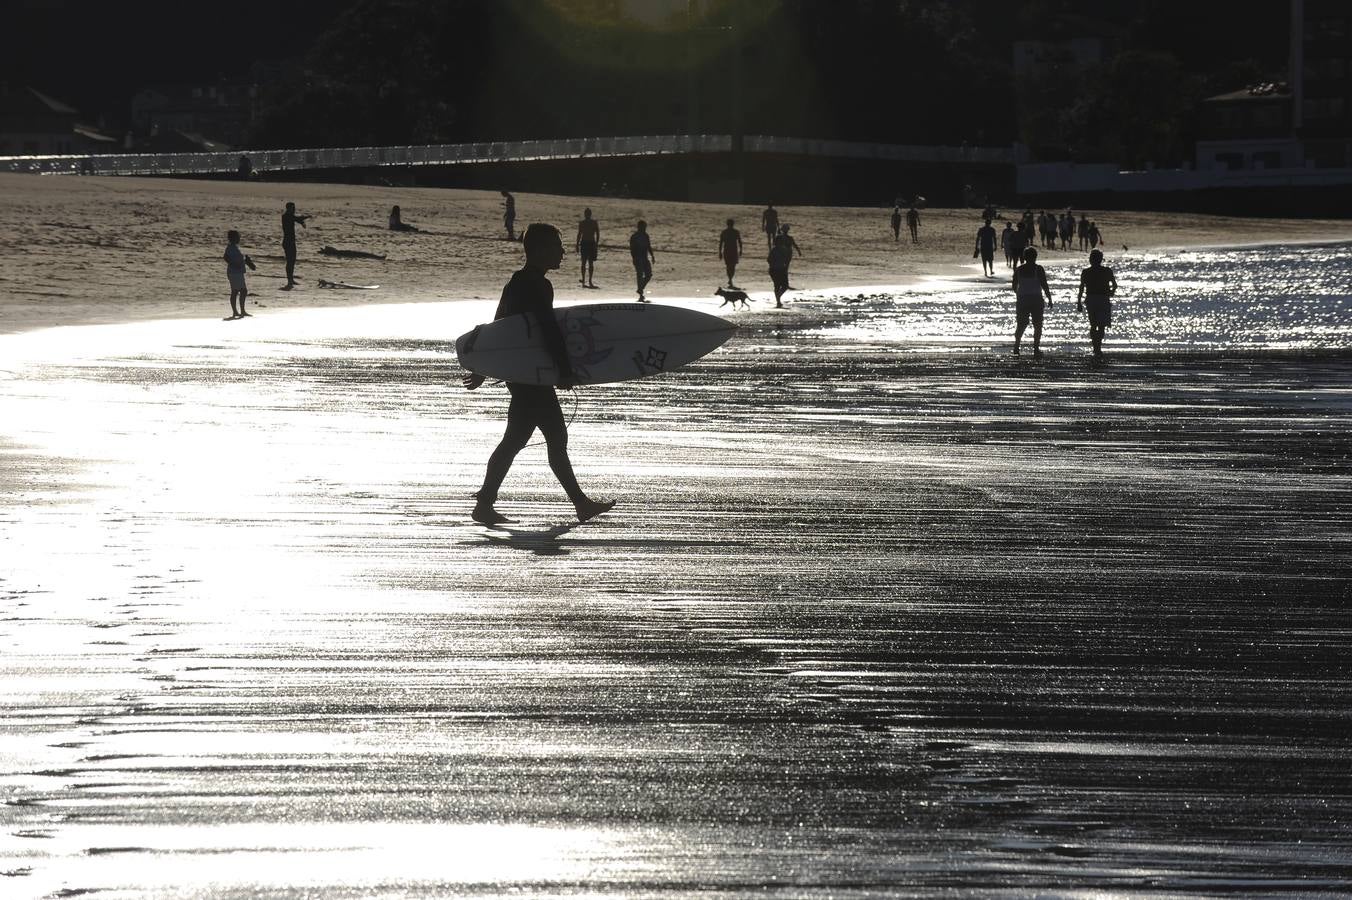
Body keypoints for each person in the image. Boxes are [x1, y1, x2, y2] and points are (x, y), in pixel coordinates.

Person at [463, 223, 614, 526]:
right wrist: (564, 370)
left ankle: (486, 502)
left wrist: (484, 366)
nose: (562, 252)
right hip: (532, 376)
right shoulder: (538, 285)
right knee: (551, 438)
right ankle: (580, 504)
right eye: (557, 246)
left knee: (517, 440)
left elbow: (498, 326)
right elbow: (548, 329)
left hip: (522, 374)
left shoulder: (516, 282)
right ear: (541, 250)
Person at [1011, 246, 1053, 357]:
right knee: (1037, 325)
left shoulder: (1019, 269)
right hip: (1036, 299)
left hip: (1023, 300)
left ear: (1025, 257)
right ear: (1035, 257)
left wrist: (1019, 294)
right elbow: (1044, 285)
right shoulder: (1038, 269)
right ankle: (1036, 348)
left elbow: (1014, 285)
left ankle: (1016, 346)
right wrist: (1049, 298)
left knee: (1021, 324)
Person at [1077, 248, 1117, 357]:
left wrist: (1079, 302)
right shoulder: (1107, 271)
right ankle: (1097, 347)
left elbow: (1081, 288)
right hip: (1103, 299)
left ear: (1091, 259)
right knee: (1101, 325)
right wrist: (1111, 292)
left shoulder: (1086, 272)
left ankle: (1096, 347)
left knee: (1093, 324)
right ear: (1100, 259)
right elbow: (1115, 285)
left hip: (1091, 299)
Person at [223, 229, 256, 320]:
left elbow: (236, 259)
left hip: (238, 273)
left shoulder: (235, 248)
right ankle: (237, 311)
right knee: (238, 291)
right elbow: (225, 257)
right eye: (237, 237)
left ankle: (240, 311)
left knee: (241, 291)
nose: (239, 239)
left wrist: (246, 261)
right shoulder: (230, 247)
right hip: (234, 273)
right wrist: (234, 264)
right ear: (233, 238)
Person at [768, 224, 801, 308]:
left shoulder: (777, 248)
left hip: (776, 268)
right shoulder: (780, 248)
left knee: (778, 285)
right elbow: (770, 260)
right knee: (781, 284)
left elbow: (769, 260)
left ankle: (778, 299)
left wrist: (773, 265)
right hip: (779, 267)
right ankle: (778, 299)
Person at [280, 201, 309, 290]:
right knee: (290, 261)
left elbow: (297, 219)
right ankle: (289, 280)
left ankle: (291, 280)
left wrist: (302, 222)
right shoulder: (285, 216)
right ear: (288, 208)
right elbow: (296, 218)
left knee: (292, 261)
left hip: (291, 242)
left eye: (294, 208)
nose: (294, 210)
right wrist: (306, 217)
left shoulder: (290, 216)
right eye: (293, 208)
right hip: (288, 242)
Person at [629, 220, 655, 301]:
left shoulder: (646, 235)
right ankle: (641, 294)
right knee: (640, 275)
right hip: (638, 258)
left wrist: (652, 256)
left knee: (649, 275)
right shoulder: (634, 236)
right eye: (643, 227)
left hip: (645, 258)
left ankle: (640, 289)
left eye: (645, 227)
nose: (644, 228)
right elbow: (632, 249)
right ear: (639, 227)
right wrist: (634, 258)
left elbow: (648, 246)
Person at [575, 207, 600, 288]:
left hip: (588, 243)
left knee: (587, 262)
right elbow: (580, 234)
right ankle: (587, 280)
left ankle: (587, 280)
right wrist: (577, 244)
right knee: (587, 262)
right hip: (588, 243)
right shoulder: (590, 223)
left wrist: (577, 244)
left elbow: (580, 234)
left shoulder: (586, 223)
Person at [718, 218, 743, 288]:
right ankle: (730, 279)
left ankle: (730, 279)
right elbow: (740, 242)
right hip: (733, 251)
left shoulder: (724, 232)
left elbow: (721, 243)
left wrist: (720, 252)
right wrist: (741, 250)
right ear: (733, 224)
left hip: (727, 251)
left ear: (727, 224)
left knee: (729, 266)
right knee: (732, 266)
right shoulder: (735, 232)